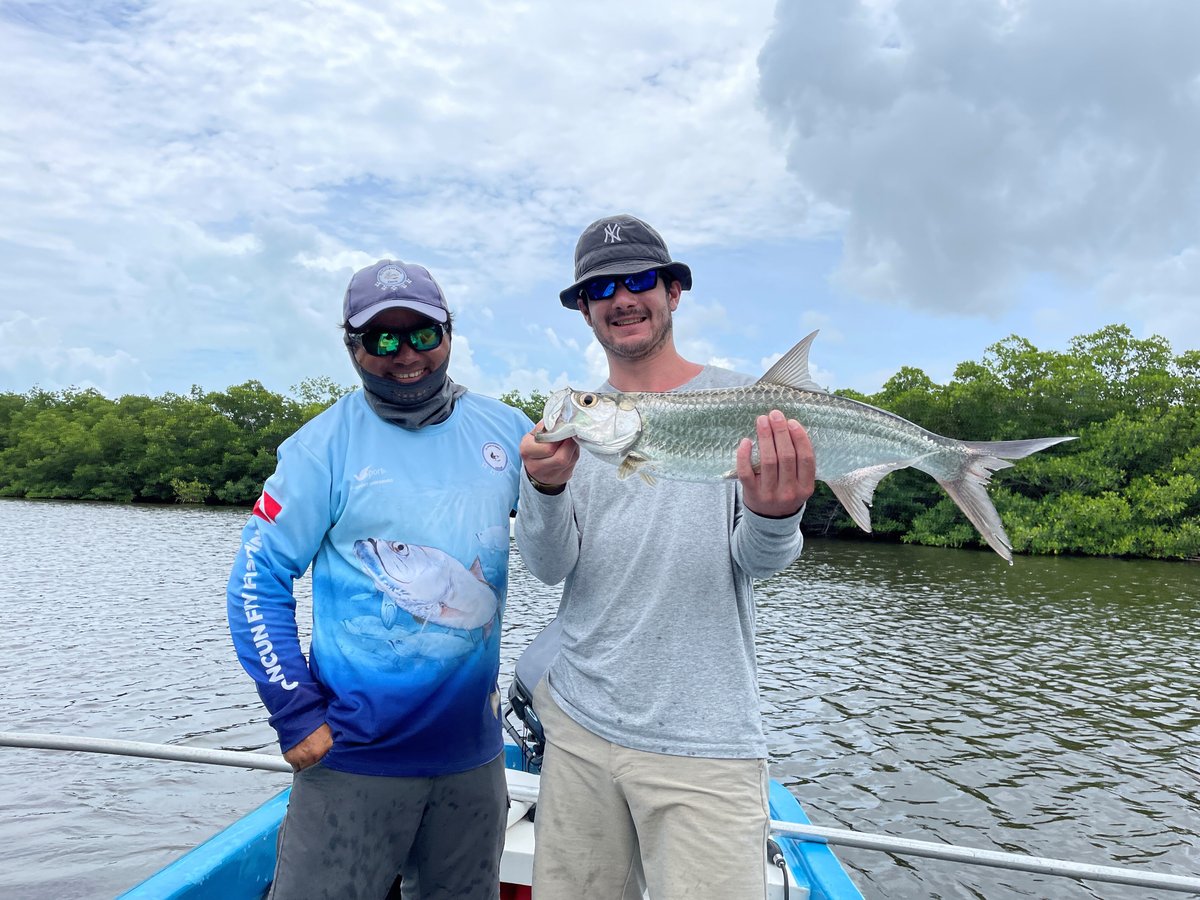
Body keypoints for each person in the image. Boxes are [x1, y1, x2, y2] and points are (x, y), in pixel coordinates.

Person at [515, 214, 816, 900]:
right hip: (579, 731)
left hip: (706, 744)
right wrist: (543, 487)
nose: (622, 298)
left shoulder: (753, 406)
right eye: (601, 288)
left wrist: (776, 513)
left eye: (640, 280)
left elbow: (764, 562)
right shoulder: (575, 424)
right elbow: (548, 565)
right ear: (585, 309)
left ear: (673, 292)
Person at [227, 259, 532, 900]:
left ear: (449, 333)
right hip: (352, 758)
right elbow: (257, 580)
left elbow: (582, 533)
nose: (406, 356)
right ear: (352, 346)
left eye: (422, 334)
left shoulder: (508, 432)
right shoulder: (320, 450)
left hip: (474, 761)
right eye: (382, 339)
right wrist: (294, 711)